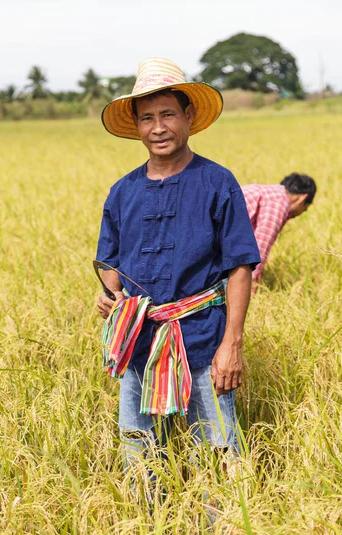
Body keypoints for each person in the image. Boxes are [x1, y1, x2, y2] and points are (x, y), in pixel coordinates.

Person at [95, 57, 260, 470]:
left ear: (188, 116)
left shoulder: (217, 182)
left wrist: (232, 343)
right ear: (136, 125)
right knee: (140, 455)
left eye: (168, 114)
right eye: (147, 118)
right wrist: (113, 296)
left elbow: (240, 266)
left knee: (221, 452)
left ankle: (224, 533)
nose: (158, 127)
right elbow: (108, 260)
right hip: (139, 346)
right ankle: (147, 529)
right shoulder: (122, 192)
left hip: (203, 341)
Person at [242, 173, 317, 288]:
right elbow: (259, 249)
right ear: (302, 198)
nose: (301, 213)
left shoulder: (269, 193)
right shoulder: (278, 203)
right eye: (305, 209)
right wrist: (251, 287)